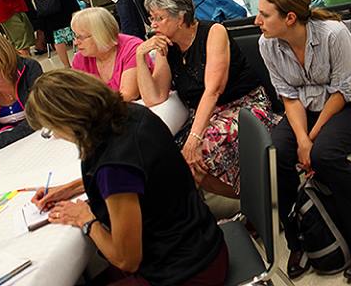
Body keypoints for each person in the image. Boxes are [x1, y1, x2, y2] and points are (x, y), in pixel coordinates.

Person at [26, 69, 229, 286]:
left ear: (67, 121)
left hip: (187, 273)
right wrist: (72, 188)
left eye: (51, 129)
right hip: (203, 243)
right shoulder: (130, 113)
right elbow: (138, 175)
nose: (55, 136)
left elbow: (126, 260)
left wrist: (85, 219)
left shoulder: (113, 167)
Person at [255, 0, 351, 282]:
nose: (257, 21)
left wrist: (311, 139)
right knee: (275, 155)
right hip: (306, 107)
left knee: (324, 155)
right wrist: (302, 139)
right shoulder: (267, 44)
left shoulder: (333, 33)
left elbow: (342, 90)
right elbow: (289, 98)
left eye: (265, 14)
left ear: (290, 18)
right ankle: (301, 240)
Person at [135, 0, 278, 197]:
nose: (152, 24)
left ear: (180, 17)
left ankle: (261, 202)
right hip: (208, 114)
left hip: (244, 105)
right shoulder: (168, 46)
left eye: (159, 18)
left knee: (200, 150)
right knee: (171, 158)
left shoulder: (213, 32)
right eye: (151, 18)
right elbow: (154, 97)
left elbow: (213, 90)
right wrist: (140, 55)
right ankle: (252, 201)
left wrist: (194, 136)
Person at [71, 7, 143, 101]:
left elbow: (128, 94)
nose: (75, 43)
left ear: (100, 34)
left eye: (80, 37)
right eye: (75, 36)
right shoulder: (80, 58)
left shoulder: (132, 48)